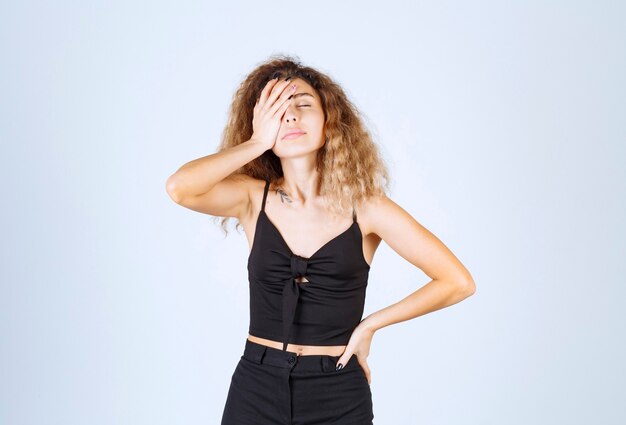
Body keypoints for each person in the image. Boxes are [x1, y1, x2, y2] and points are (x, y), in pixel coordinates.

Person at [165, 55, 476, 425]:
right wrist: (256, 143)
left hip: (337, 391)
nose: (291, 115)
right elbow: (179, 188)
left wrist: (371, 325)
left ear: (329, 121)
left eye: (303, 104)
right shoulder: (251, 198)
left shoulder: (368, 207)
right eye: (277, 108)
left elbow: (457, 282)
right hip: (256, 386)